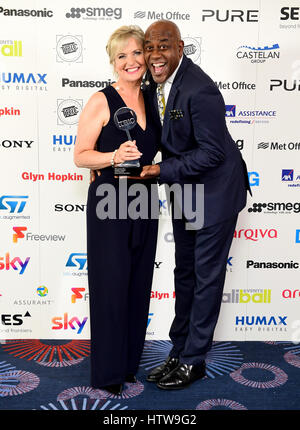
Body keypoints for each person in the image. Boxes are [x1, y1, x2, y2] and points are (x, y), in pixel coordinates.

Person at [140, 20, 251, 390]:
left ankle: (194, 360)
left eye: (164, 46)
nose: (156, 55)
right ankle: (179, 349)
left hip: (215, 193)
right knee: (184, 273)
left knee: (205, 278)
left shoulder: (199, 89)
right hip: (186, 191)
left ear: (180, 47)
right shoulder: (156, 83)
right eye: (149, 47)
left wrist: (159, 169)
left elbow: (212, 153)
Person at [74, 25, 160, 396]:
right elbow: (80, 155)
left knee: (138, 285)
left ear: (146, 57)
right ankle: (107, 374)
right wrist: (111, 157)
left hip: (145, 200)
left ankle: (128, 366)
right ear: (113, 62)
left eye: (136, 53)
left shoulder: (153, 97)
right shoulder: (101, 100)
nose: (130, 61)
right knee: (110, 286)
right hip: (110, 199)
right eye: (121, 55)